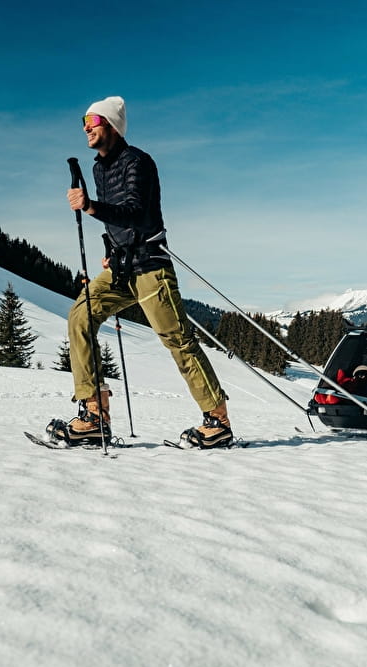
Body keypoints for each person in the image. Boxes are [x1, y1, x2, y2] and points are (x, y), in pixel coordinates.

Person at [62, 96, 232, 448]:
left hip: (150, 266)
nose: (85, 128)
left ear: (109, 125)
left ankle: (217, 421)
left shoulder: (138, 162)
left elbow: (135, 211)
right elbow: (115, 223)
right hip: (122, 267)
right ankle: (95, 414)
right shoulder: (97, 168)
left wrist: (90, 206)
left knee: (177, 340)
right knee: (80, 316)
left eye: (91, 122)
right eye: (84, 121)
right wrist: (110, 249)